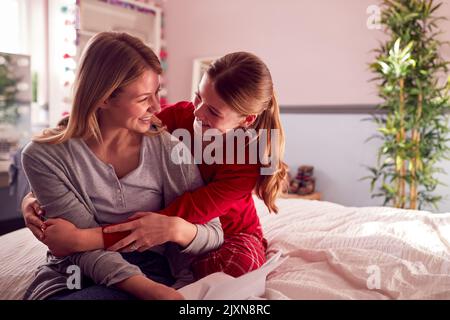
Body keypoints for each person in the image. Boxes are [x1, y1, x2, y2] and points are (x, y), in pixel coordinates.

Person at [23, 51, 287, 281]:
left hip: (224, 233)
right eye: (198, 98)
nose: (198, 112)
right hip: (173, 235)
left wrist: (85, 239)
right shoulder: (179, 117)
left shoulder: (248, 159)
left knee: (233, 271)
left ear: (246, 120)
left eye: (214, 111)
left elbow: (178, 215)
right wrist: (37, 196)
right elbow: (111, 130)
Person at [20, 31, 223, 300]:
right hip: (76, 273)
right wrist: (151, 292)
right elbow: (76, 247)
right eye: (143, 99)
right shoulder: (44, 156)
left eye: (157, 93)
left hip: (152, 270)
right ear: (103, 97)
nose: (156, 106)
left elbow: (213, 233)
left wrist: (174, 229)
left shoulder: (169, 149)